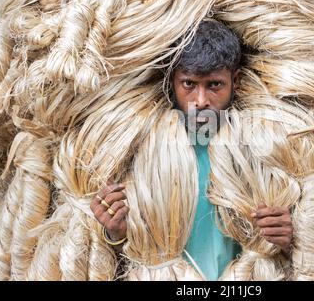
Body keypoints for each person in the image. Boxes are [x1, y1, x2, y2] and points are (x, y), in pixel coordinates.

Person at [90, 20, 293, 280]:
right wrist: (114, 232)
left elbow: (290, 249)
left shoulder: (259, 150)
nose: (201, 101)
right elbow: (123, 253)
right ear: (172, 81)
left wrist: (287, 237)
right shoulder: (142, 150)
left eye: (214, 85)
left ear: (236, 82)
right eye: (189, 84)